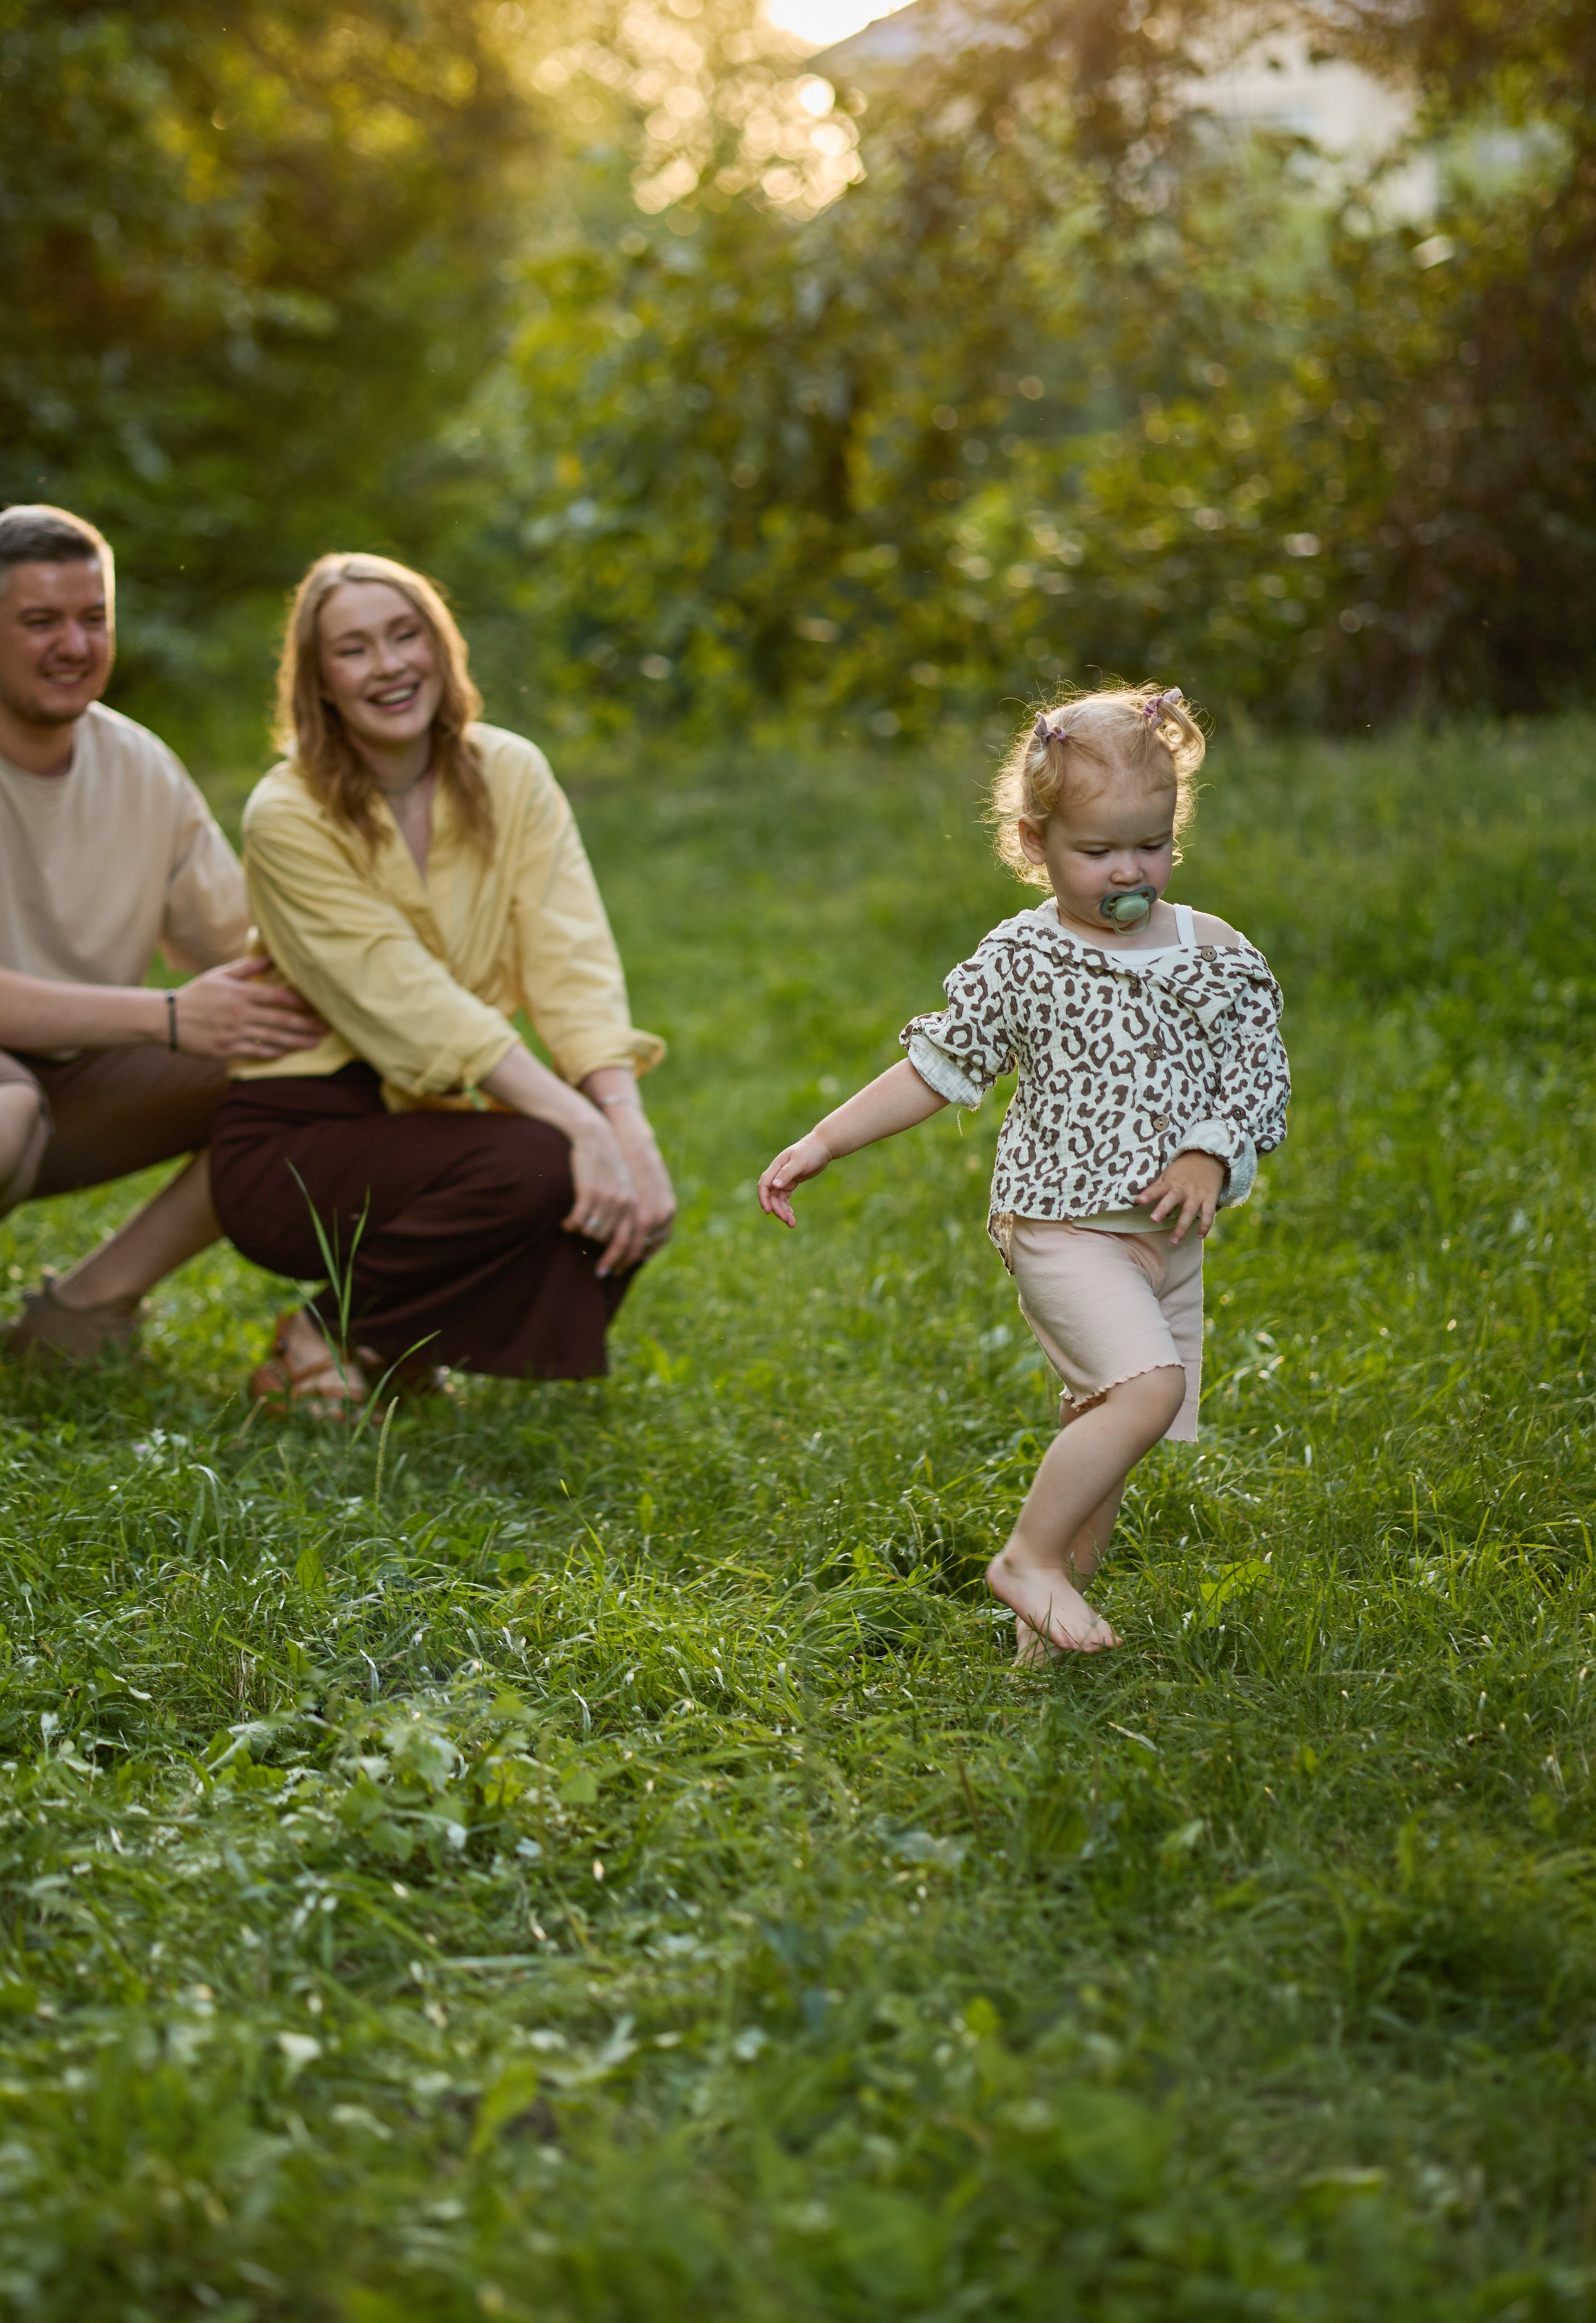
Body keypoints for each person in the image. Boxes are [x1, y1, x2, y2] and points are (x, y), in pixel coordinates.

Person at [758, 685, 1290, 1664]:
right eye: (1098, 851)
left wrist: (1213, 1146)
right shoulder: (1026, 957)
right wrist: (824, 1141)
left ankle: (1040, 1661)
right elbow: (937, 1066)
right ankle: (1027, 1560)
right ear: (1034, 841)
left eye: (1153, 843)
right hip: (1062, 1226)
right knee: (1147, 1391)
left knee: (1106, 1439)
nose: (1130, 870)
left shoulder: (1212, 954)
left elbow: (1259, 1073)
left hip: (1162, 1245)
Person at [0, 503, 323, 1356]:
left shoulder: (142, 765)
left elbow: (247, 953)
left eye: (93, 619)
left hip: (67, 1082)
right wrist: (168, 1019)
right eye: (40, 621)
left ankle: (83, 1310)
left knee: (309, 1062)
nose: (73, 646)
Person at [208, 551, 675, 1411]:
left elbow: (571, 958)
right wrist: (580, 1123)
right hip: (295, 1138)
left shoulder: (511, 773)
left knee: (614, 1187)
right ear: (318, 684)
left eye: (404, 634)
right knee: (545, 1162)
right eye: (353, 650)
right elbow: (407, 1001)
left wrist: (623, 1122)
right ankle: (329, 1329)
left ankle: (391, 1351)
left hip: (424, 1122)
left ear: (442, 646)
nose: (388, 665)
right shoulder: (286, 813)